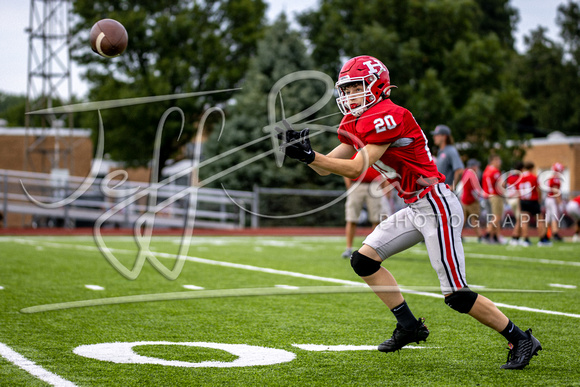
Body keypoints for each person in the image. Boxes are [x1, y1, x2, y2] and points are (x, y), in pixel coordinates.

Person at [278, 55, 541, 369]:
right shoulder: (354, 121)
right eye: (345, 90)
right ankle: (408, 325)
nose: (348, 96)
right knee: (363, 260)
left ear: (377, 85)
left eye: (355, 88)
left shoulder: (390, 114)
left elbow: (356, 167)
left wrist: (311, 156)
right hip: (415, 205)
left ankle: (520, 338)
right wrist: (306, 155)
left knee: (456, 295)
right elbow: (327, 169)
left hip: (436, 203)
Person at [342, 164, 384, 258]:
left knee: (376, 219)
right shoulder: (353, 148)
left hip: (374, 184)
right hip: (356, 184)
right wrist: (349, 185)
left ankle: (373, 249)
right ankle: (348, 249)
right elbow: (345, 165)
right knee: (351, 218)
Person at [519, 161, 550, 246]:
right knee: (539, 220)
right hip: (532, 200)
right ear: (531, 168)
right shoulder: (533, 177)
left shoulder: (520, 177)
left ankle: (525, 239)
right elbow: (538, 189)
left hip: (523, 200)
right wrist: (539, 199)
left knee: (524, 220)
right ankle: (542, 239)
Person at [431, 124, 464, 190]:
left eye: (437, 135)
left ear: (444, 137)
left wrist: (453, 186)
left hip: (448, 194)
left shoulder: (450, 150)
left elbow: (460, 170)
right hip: (441, 192)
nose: (434, 137)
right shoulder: (441, 151)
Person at [481, 155, 504, 244]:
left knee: (492, 217)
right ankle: (487, 235)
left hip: (487, 196)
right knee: (497, 217)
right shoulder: (495, 171)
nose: (499, 162)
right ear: (493, 161)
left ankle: (495, 237)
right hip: (495, 196)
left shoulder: (486, 170)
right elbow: (501, 185)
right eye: (498, 160)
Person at [459, 159, 483, 241]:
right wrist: (479, 197)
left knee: (463, 219)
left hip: (464, 199)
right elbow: (474, 189)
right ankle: (480, 236)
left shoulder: (465, 172)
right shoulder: (471, 174)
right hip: (471, 200)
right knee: (474, 219)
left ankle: (459, 235)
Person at [544, 162, 564, 242]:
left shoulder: (551, 178)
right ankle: (555, 234)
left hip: (548, 199)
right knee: (554, 217)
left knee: (548, 218)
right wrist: (560, 203)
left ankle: (545, 234)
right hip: (552, 200)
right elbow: (556, 192)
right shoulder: (555, 179)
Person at [505, 162, 524, 246]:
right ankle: (514, 237)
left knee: (519, 219)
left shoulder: (510, 175)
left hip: (510, 198)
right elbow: (519, 190)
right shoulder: (519, 177)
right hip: (516, 198)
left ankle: (518, 237)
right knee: (519, 219)